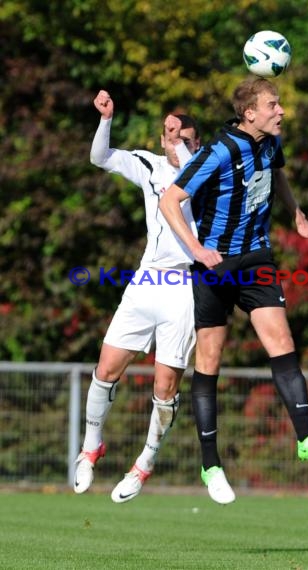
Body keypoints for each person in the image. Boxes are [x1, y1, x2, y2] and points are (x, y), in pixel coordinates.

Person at [160, 77, 308, 505]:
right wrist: (197, 249)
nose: (281, 111)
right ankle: (211, 465)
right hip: (215, 264)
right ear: (250, 113)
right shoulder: (219, 150)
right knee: (209, 360)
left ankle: (306, 437)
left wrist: (297, 216)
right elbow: (171, 200)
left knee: (282, 342)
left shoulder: (270, 143)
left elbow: (276, 174)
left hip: (257, 258)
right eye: (273, 105)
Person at [73, 90, 200, 503]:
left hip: (184, 287)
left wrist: (181, 140)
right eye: (172, 135)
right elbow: (100, 157)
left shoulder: (206, 172)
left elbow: (192, 167)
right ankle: (92, 446)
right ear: (161, 141)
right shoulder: (150, 164)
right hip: (146, 281)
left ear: (196, 143)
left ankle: (144, 463)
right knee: (107, 367)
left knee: (165, 386)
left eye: (187, 137)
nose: (179, 141)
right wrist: (106, 120)